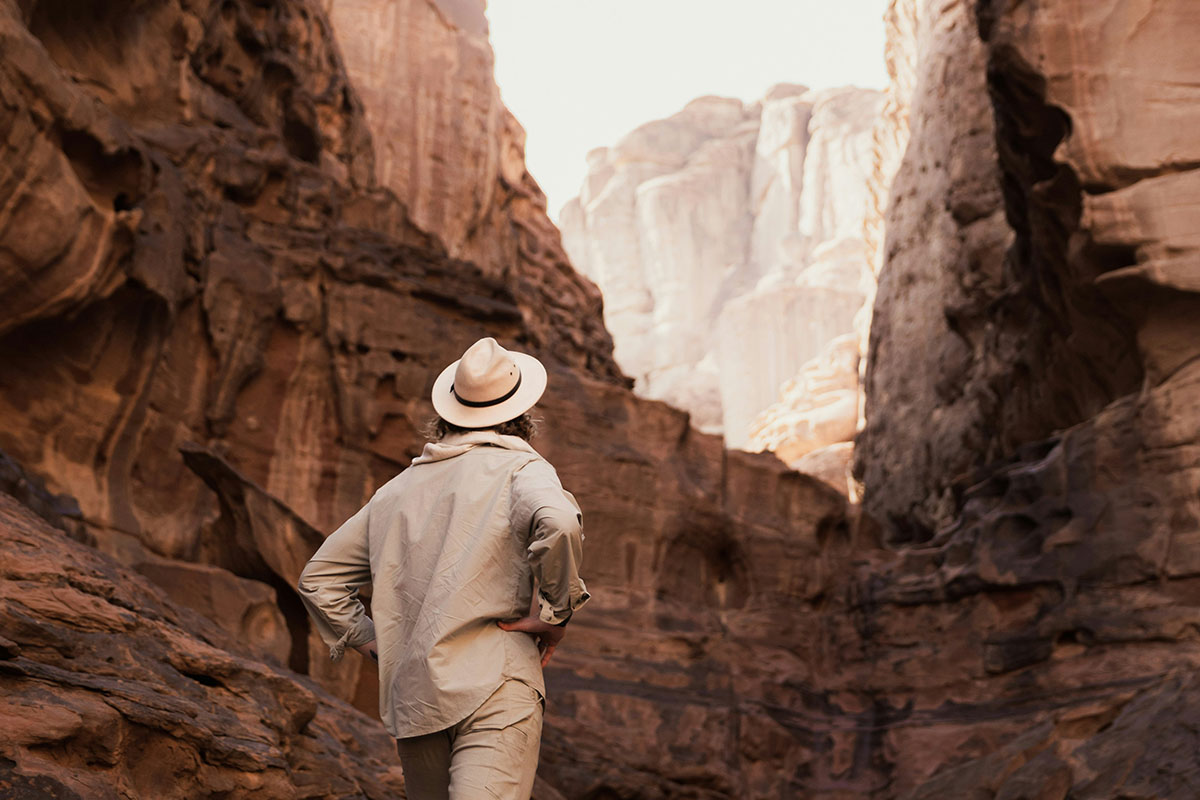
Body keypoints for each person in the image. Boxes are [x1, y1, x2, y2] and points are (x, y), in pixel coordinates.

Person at [297, 337, 590, 799]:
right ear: (521, 414)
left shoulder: (397, 489)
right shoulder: (522, 470)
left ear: (449, 411)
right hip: (497, 684)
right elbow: (558, 522)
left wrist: (376, 645)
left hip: (418, 697)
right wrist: (558, 612)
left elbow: (319, 580)